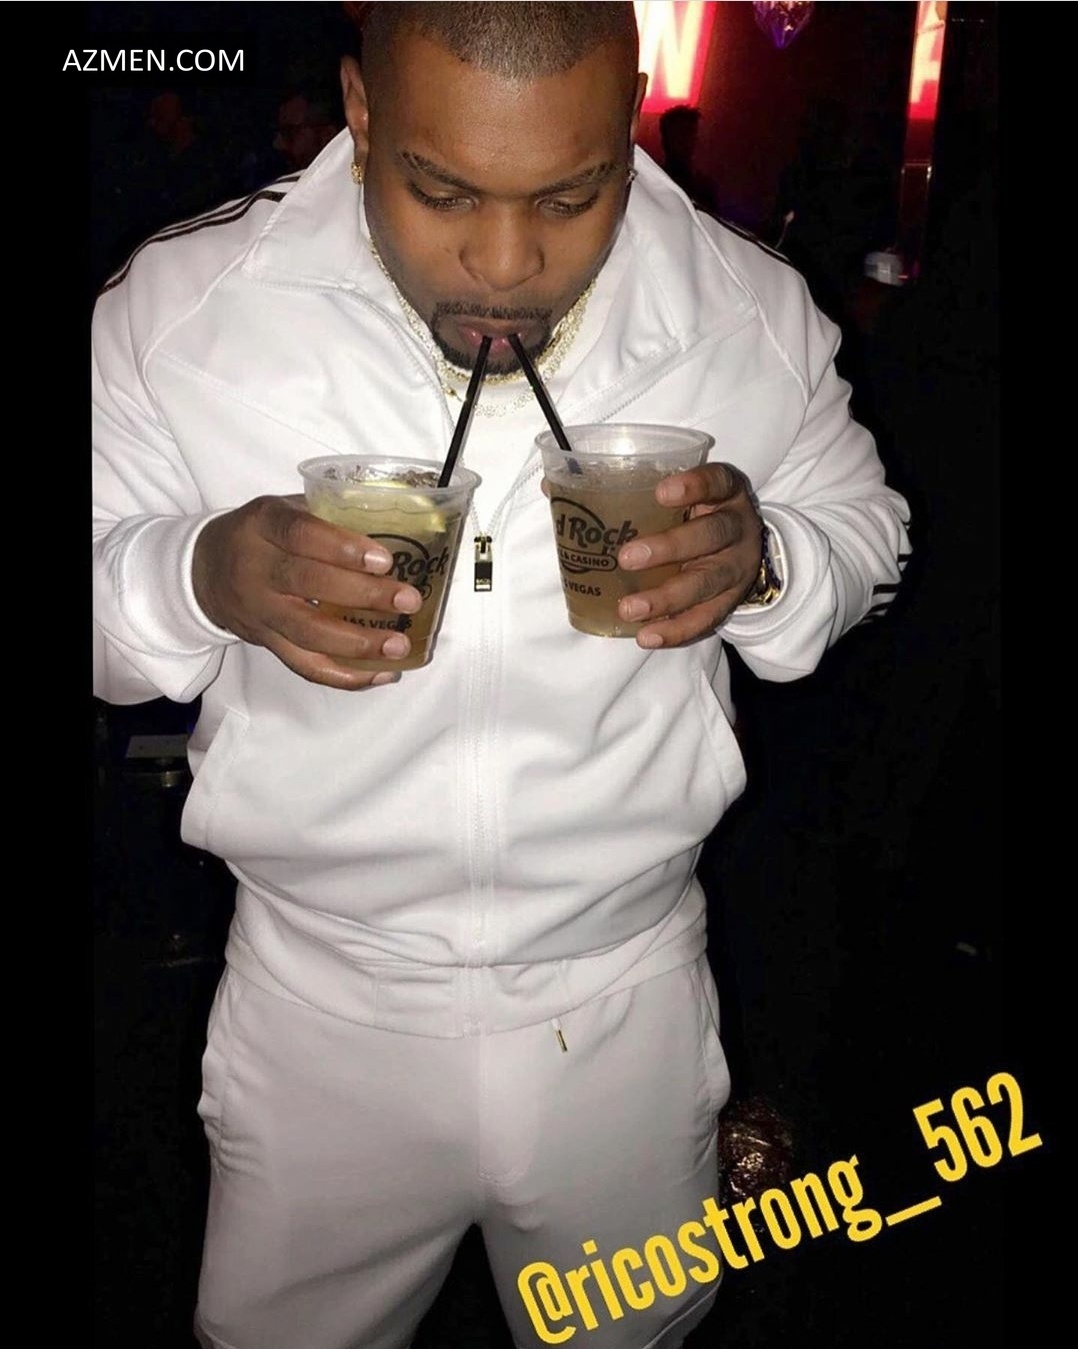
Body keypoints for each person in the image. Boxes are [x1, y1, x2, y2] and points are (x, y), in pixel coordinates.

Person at [92, 5, 910, 1348]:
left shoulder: (745, 310)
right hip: (317, 1011)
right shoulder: (183, 311)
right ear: (361, 113)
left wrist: (767, 561)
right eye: (442, 190)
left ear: (628, 121)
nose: (507, 261)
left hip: (624, 999)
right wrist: (197, 576)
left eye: (571, 196)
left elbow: (871, 542)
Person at [657, 103, 717, 215]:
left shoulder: (703, 188)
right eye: (680, 133)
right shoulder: (656, 183)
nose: (686, 140)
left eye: (690, 133)